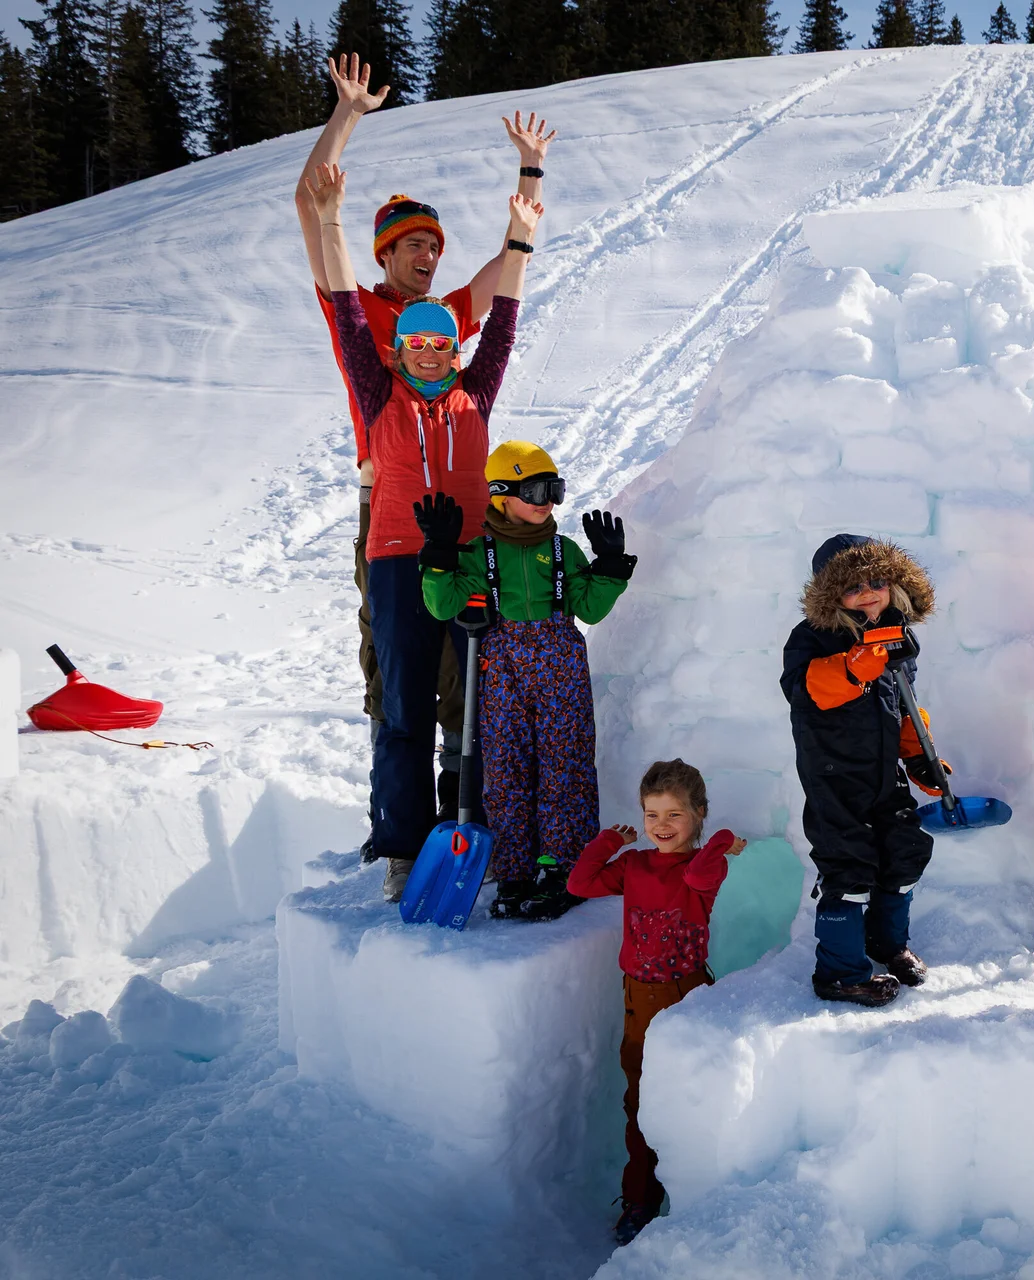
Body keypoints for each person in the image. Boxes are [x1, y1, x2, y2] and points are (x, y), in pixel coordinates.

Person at [293, 51, 556, 844]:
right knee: (395, 684)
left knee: (461, 689)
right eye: (413, 244)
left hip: (460, 528)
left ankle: (459, 826)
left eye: (434, 244)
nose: (428, 255)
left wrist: (530, 183)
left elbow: (504, 289)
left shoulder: (444, 325)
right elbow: (314, 209)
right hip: (390, 510)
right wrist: (344, 119)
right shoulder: (367, 324)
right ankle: (398, 831)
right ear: (384, 254)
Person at [417, 442, 636, 919]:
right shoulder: (478, 553)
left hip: (559, 661)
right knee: (506, 766)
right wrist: (437, 556)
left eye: (554, 490)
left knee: (565, 763)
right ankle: (514, 869)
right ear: (500, 494)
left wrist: (609, 567)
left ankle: (562, 866)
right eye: (535, 490)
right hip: (501, 668)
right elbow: (443, 604)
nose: (547, 501)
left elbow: (590, 608)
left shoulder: (564, 550)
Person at [567, 760, 745, 1244]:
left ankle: (694, 1189)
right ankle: (640, 1198)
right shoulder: (633, 865)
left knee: (686, 1090)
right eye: (651, 815)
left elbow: (697, 879)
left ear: (698, 814)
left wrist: (722, 838)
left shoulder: (704, 865)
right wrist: (610, 843)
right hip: (637, 998)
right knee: (639, 1098)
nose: (661, 827)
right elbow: (579, 885)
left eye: (674, 815)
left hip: (684, 992)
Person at [779, 535, 945, 1009]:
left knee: (904, 853)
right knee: (849, 868)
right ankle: (839, 973)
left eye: (878, 581)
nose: (868, 592)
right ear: (832, 597)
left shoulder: (897, 636)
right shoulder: (810, 639)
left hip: (883, 773)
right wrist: (861, 663)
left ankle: (885, 944)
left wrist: (920, 756)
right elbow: (811, 690)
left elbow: (906, 706)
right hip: (834, 779)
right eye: (853, 587)